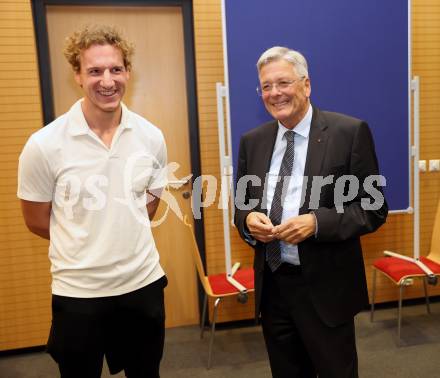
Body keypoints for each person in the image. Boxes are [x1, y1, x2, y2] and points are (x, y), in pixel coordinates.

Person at [17, 25, 168, 378]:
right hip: (79, 294)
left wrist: (116, 226)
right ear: (77, 75)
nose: (107, 80)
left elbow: (150, 202)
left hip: (142, 285)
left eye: (116, 69)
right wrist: (87, 239)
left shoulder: (151, 136)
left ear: (127, 71)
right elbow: (38, 220)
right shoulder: (44, 145)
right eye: (95, 71)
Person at [234, 46, 388, 378]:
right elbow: (241, 204)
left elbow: (373, 208)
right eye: (266, 86)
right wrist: (248, 220)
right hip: (273, 287)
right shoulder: (253, 141)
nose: (274, 93)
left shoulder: (348, 133)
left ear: (306, 85)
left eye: (283, 83)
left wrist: (317, 223)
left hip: (325, 289)